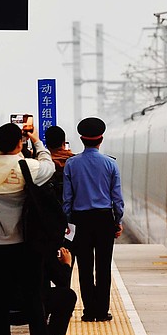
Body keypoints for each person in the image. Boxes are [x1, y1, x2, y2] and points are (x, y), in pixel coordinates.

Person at [0, 121, 59, 335]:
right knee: (33, 296)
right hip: (24, 243)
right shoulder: (27, 167)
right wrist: (36, 140)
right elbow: (49, 166)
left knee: (0, 297)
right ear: (19, 142)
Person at [62, 117, 124, 323]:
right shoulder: (110, 164)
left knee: (85, 267)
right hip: (104, 219)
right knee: (104, 266)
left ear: (81, 139)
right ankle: (102, 310)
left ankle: (89, 311)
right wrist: (118, 221)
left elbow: (67, 199)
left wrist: (69, 223)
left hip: (80, 221)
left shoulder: (71, 165)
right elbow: (117, 198)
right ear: (101, 139)